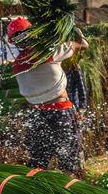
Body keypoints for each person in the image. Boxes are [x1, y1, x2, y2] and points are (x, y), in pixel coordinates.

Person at [8, 17, 89, 176]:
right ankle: (69, 191)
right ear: (33, 34)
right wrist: (72, 29)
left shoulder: (17, 65)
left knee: (38, 163)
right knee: (69, 163)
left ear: (15, 42)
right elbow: (84, 45)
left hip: (36, 115)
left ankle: (40, 193)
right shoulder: (50, 52)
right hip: (60, 113)